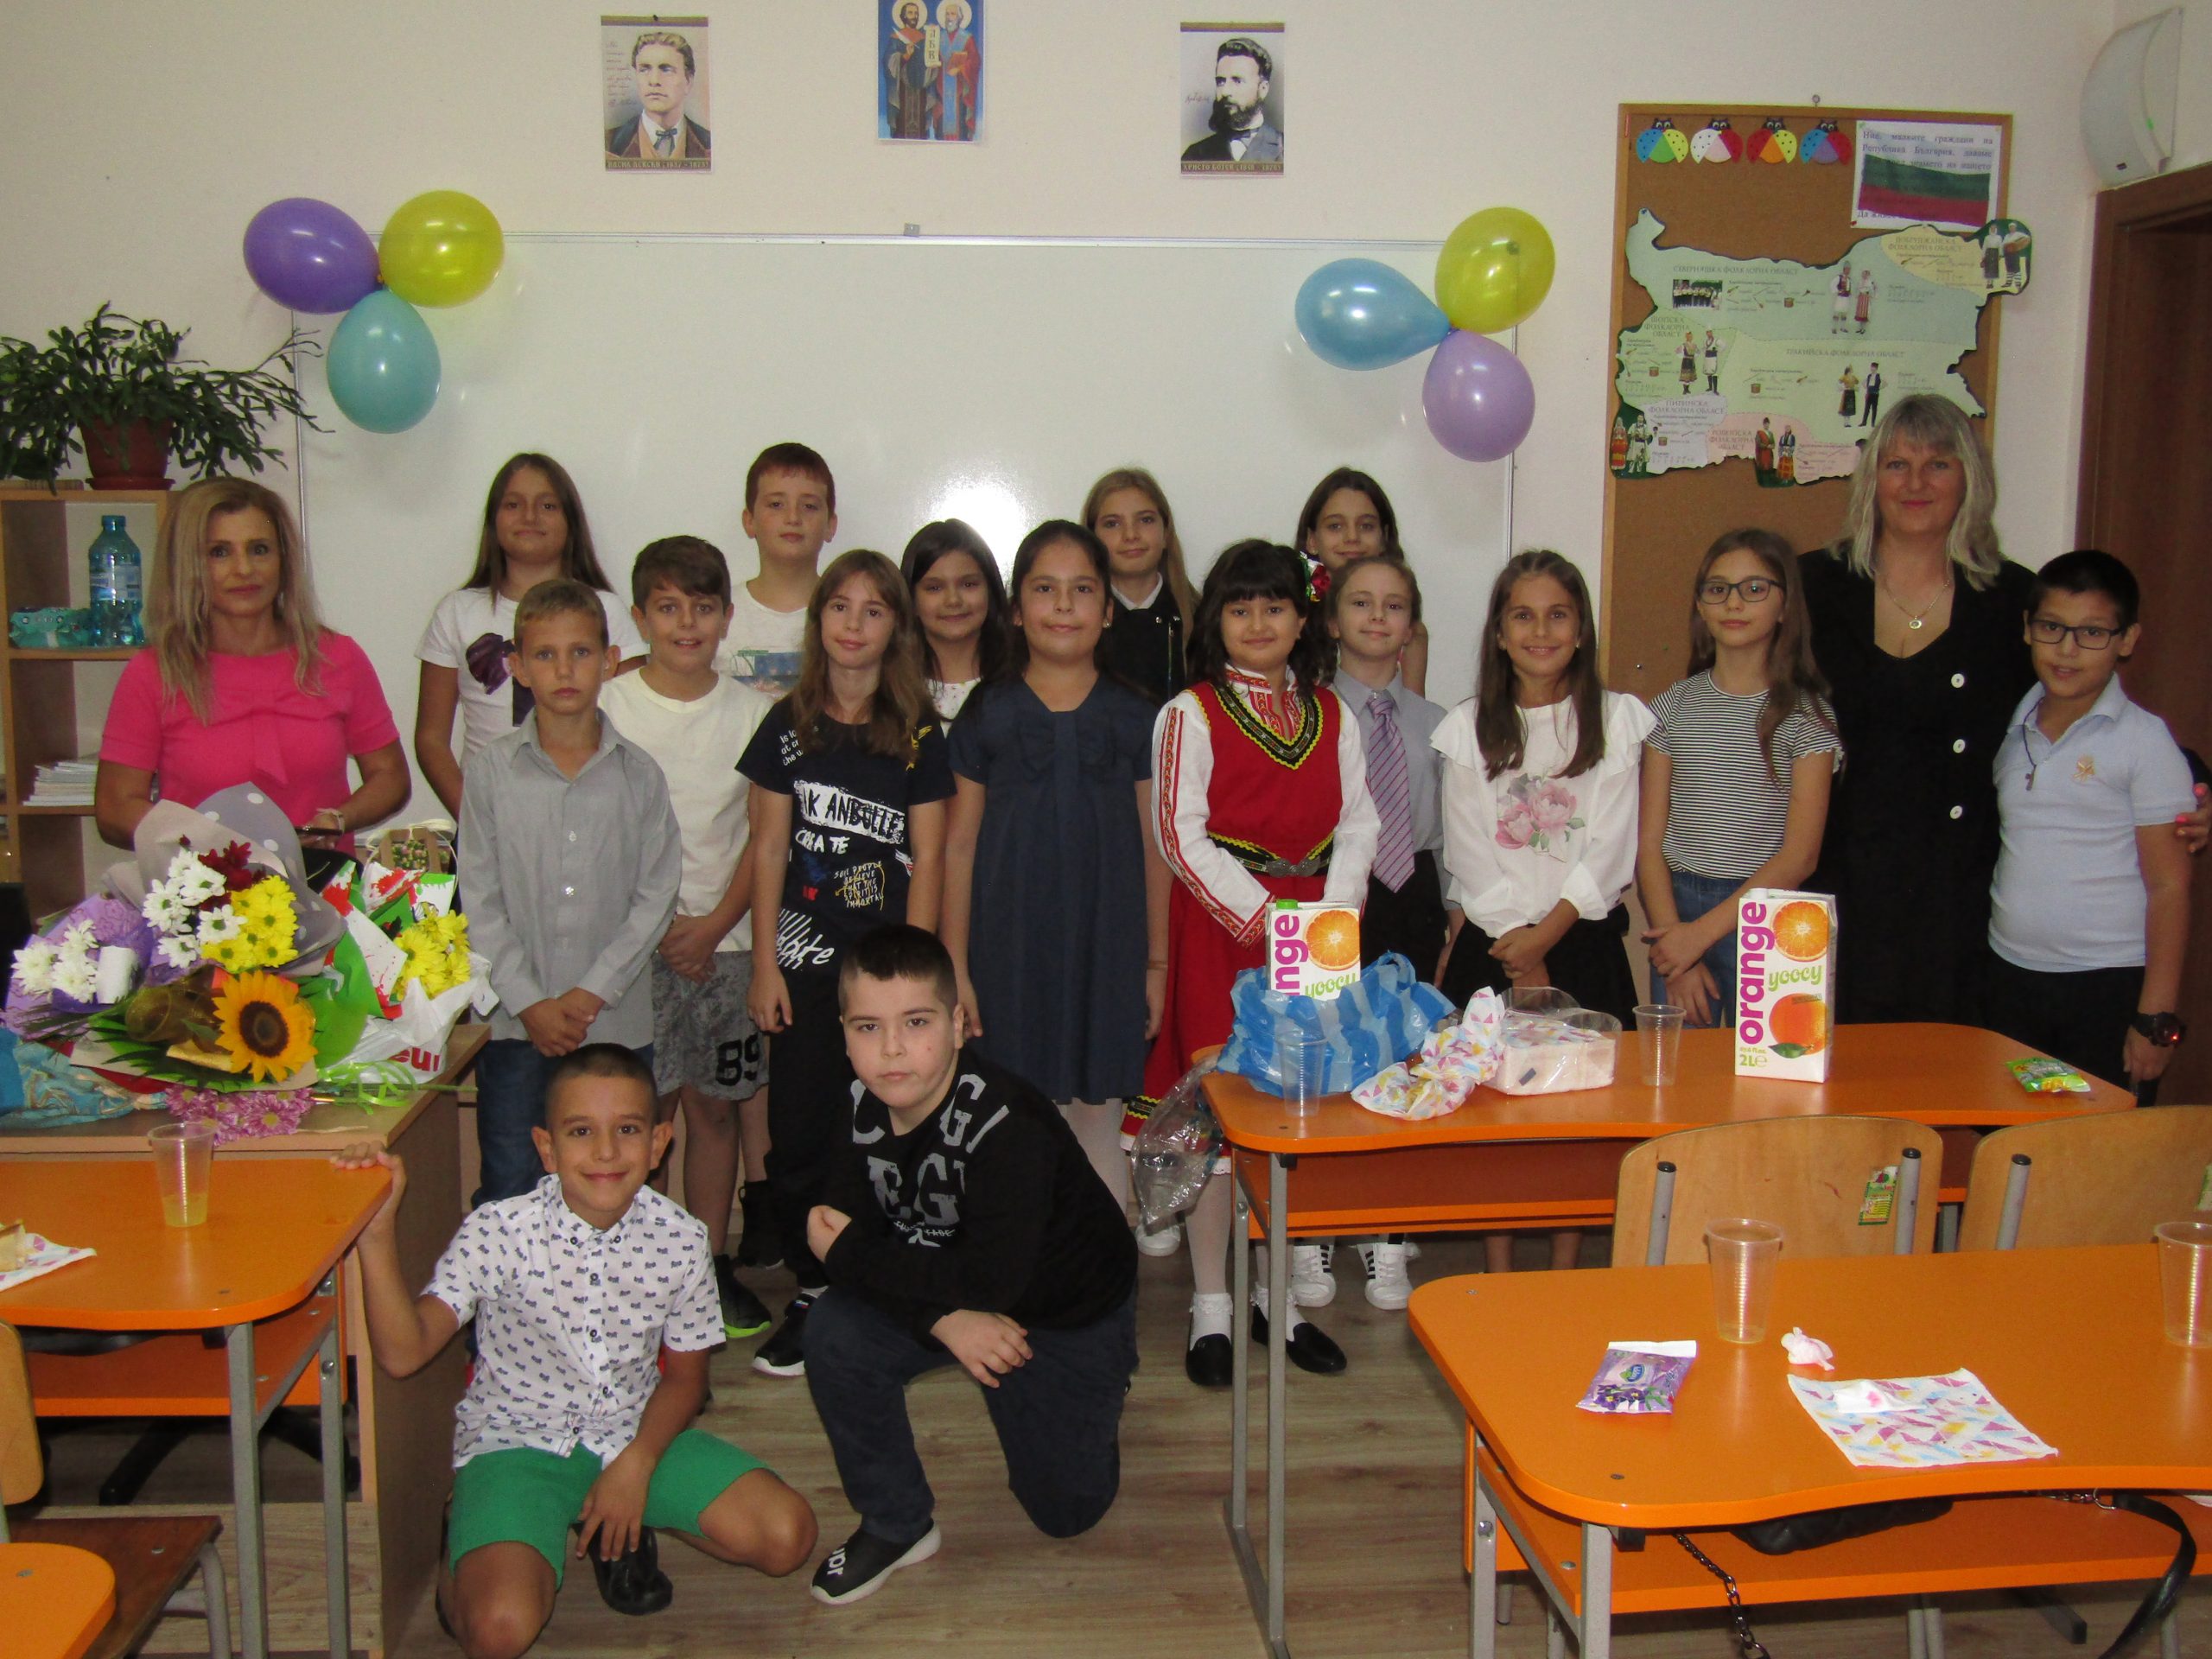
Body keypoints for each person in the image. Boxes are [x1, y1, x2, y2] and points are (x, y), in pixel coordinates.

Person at [333, 1047, 815, 1659]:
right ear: (547, 1147)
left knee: (787, 1537)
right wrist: (375, 1237)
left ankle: (620, 1522)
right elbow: (404, 1354)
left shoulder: (683, 1238)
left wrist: (636, 1466)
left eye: (628, 1130)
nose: (606, 1152)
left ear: (659, 1142)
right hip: (517, 1443)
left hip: (635, 1434)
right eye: (581, 1132)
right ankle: (469, 1531)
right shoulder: (498, 1231)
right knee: (499, 1631)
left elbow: (686, 1379)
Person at [1800, 395, 2208, 1023]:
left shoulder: (2013, 597)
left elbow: (2080, 705)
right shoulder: (1810, 586)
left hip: (1959, 899)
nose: (1915, 483)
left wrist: (2189, 783)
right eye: (1897, 464)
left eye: (1938, 465)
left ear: (1970, 480)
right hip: (1829, 885)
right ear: (1870, 479)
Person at [802, 926, 1137, 1605]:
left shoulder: (1010, 1124)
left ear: (958, 1025)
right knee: (833, 1329)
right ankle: (897, 1523)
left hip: (1066, 1311)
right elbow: (840, 1235)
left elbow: (978, 1279)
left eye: (916, 1022)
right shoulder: (858, 1100)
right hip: (957, 1289)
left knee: (1067, 1512)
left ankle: (1097, 1392)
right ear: (844, 1034)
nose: (891, 1049)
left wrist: (856, 1257)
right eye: (868, 1027)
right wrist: (945, 1321)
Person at [1141, 541, 1374, 1385]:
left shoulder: (1333, 713)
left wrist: (1331, 917)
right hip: (1224, 930)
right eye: (1239, 609)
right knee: (1218, 1119)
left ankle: (1278, 1302)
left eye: (1275, 606)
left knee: (1295, 1114)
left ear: (1303, 619)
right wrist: (1269, 919)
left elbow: (1359, 822)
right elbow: (1179, 834)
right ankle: (1211, 1305)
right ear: (1217, 622)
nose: (1258, 622)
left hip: (1317, 934)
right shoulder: (1190, 713)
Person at [739, 549, 954, 1379]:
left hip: (885, 983)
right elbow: (766, 850)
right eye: (840, 607)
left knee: (887, 1137)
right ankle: (813, 1287)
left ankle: (885, 1288)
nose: (854, 624)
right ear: (818, 619)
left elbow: (930, 860)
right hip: (802, 971)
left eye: (874, 609)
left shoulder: (919, 731)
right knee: (801, 1134)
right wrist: (764, 965)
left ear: (896, 626)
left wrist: (916, 984)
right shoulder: (787, 725)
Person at [1433, 550, 1652, 1274]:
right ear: (1499, 633)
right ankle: (1499, 1269)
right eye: (1522, 616)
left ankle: (1563, 1272)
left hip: (1581, 940)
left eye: (1558, 615)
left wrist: (1546, 939)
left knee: (1580, 1119)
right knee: (1495, 1118)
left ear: (1581, 628)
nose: (1541, 631)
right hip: (1494, 946)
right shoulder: (1468, 727)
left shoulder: (1616, 720)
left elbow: (1613, 847)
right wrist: (1519, 949)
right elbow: (1468, 851)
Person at [943, 520, 1166, 1217]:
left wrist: (1156, 965)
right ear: (1016, 609)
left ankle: (1100, 1269)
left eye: (1082, 590)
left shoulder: (1138, 716)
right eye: (1045, 589)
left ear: (1108, 610)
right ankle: (1022, 1265)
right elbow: (958, 847)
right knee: (1015, 1113)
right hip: (1008, 951)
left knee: (1099, 1112)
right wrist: (956, 968)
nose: (1064, 606)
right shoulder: (987, 712)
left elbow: (1156, 849)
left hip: (1109, 949)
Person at [598, 537, 776, 1340]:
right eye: (668, 608)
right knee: (641, 1113)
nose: (686, 624)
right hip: (630, 953)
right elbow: (598, 831)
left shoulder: (752, 714)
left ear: (727, 617)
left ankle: (707, 1268)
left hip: (724, 947)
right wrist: (655, 926)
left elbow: (763, 839)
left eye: (703, 608)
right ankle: (632, 1272)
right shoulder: (608, 707)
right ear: (640, 618)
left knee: (715, 1112)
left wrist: (712, 926)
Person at [460, 580, 682, 1206]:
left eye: (581, 653)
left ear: (609, 661)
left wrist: (588, 994)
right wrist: (531, 1001)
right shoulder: (491, 772)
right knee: (512, 1181)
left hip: (613, 1022)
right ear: (518, 667)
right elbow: (478, 895)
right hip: (513, 1026)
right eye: (546, 654)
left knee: (612, 1187)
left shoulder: (639, 775)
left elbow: (657, 897)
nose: (564, 670)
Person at [97, 478, 409, 852]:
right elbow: (115, 809)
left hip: (324, 881)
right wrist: (206, 844)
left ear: (284, 560)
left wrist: (337, 821)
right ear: (187, 566)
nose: (244, 569)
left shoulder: (337, 657)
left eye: (259, 549)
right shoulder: (154, 672)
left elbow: (390, 777)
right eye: (219, 552)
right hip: (203, 884)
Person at [1988, 550, 2194, 1096]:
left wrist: (2154, 1018)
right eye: (2051, 627)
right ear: (2028, 629)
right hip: (2010, 976)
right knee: (2011, 1135)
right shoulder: (2008, 727)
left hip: (2108, 984)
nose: (2067, 649)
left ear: (2127, 640)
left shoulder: (2145, 741)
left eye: (2093, 633)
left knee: (2096, 1141)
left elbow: (2170, 887)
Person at [1301, 555, 1447, 1314]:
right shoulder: (1309, 713)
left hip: (1411, 891)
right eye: (1361, 603)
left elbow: (1449, 829)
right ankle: (1311, 1230)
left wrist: (1451, 913)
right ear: (1331, 621)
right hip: (1331, 893)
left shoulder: (1437, 722)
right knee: (1324, 1056)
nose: (1378, 617)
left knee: (1401, 1061)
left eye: (1394, 605)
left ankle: (1386, 1231)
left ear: (1411, 625)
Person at [1637, 530, 1840, 1027]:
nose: (1733, 602)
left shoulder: (1807, 718)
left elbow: (1801, 856)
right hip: (1678, 910)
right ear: (1700, 606)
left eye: (1754, 589)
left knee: (1769, 1062)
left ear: (1785, 606)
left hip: (1766, 913)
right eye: (1717, 589)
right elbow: (1649, 845)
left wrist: (1700, 936)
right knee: (1685, 1067)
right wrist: (1677, 944)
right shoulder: (1671, 708)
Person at [416, 454, 645, 816]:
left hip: (589, 813)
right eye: (513, 505)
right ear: (493, 520)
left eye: (548, 505)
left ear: (570, 521)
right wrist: (476, 820)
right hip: (490, 811)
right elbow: (431, 739)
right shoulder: (458, 612)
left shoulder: (605, 609)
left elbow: (636, 725)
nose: (530, 516)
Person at [718, 442, 838, 697]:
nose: (793, 518)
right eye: (776, 504)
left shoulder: (848, 617)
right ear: (749, 521)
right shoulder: (717, 614)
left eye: (809, 506)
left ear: (830, 525)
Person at [1294, 467, 1429, 694]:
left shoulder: (1407, 632)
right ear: (1312, 540)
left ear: (1384, 537)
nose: (1352, 537)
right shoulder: (1290, 619)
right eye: (1335, 526)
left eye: (1366, 526)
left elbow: (1411, 712)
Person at [1083, 467, 1198, 706]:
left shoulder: (1204, 618)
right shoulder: (1073, 622)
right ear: (1091, 538)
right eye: (1112, 524)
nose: (1131, 535)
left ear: (1166, 533)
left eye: (1145, 520)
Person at [899, 518, 1010, 720]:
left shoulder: (1022, 682)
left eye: (968, 584)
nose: (953, 600)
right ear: (911, 600)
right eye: (934, 588)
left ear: (990, 590)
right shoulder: (893, 690)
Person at [607, 29, 711, 162]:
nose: (654, 81)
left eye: (666, 70)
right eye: (644, 69)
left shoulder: (710, 143)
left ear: (688, 81)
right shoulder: (608, 144)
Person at [1180, 36, 1281, 164]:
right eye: (1221, 82)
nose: (1225, 91)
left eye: (1237, 81)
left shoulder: (1286, 149)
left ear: (1263, 89)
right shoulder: (1194, 155)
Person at [882, 1, 934, 140]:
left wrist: (933, 61)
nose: (914, 16)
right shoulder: (896, 38)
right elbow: (887, 62)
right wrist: (904, 56)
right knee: (902, 128)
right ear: (903, 16)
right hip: (902, 91)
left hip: (921, 89)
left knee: (920, 128)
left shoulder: (925, 38)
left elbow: (932, 60)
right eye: (910, 13)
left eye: (916, 13)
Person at [935, 0, 980, 140]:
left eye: (953, 14)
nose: (949, 17)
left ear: (960, 18)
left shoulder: (967, 39)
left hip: (960, 91)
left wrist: (961, 68)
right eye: (947, 14)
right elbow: (931, 60)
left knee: (960, 131)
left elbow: (975, 62)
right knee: (941, 131)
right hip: (941, 91)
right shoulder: (937, 37)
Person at [1861, 362, 1884, 428]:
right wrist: (1867, 389)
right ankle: (1864, 422)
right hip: (1869, 393)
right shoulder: (1869, 376)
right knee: (1867, 408)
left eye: (1873, 367)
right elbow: (1865, 383)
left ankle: (1873, 423)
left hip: (1875, 394)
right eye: (1871, 367)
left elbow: (1884, 383)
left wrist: (1878, 389)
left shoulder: (1878, 376)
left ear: (1876, 368)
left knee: (1874, 408)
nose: (1872, 369)